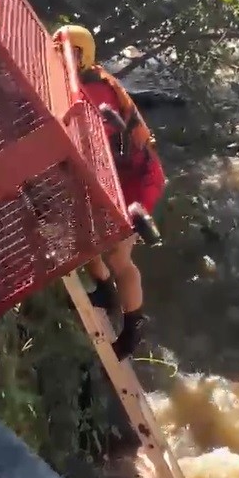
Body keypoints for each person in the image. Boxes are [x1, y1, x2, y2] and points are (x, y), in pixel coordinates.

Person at [53, 25, 167, 360]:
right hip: (114, 173)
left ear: (83, 57)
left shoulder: (95, 89)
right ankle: (104, 291)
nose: (61, 57)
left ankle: (134, 327)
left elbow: (90, 134)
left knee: (119, 256)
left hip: (138, 180)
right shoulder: (80, 80)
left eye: (69, 52)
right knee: (89, 233)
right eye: (58, 50)